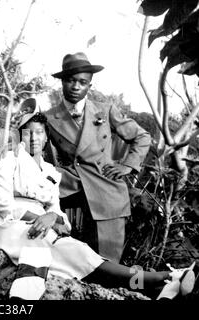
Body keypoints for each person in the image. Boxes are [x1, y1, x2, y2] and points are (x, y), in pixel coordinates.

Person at [0, 107, 195, 300]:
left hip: (44, 226)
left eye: (39, 133)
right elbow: (4, 207)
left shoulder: (50, 172)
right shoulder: (8, 162)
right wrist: (41, 219)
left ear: (45, 138)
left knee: (82, 254)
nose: (33, 138)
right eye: (27, 133)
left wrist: (52, 217)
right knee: (57, 250)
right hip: (11, 226)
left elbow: (57, 214)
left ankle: (160, 285)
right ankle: (162, 278)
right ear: (20, 137)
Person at [44, 52, 151, 262]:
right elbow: (35, 154)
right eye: (71, 80)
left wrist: (127, 165)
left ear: (89, 86)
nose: (76, 87)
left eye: (82, 82)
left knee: (105, 260)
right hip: (70, 184)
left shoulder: (105, 110)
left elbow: (142, 137)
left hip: (105, 185)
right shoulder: (48, 118)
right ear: (62, 82)